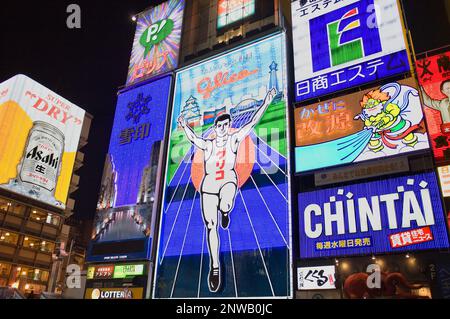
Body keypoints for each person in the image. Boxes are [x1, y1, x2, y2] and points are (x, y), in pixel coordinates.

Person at [177, 88, 277, 292]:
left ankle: (225, 211)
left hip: (229, 180)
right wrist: (183, 125)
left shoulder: (234, 139)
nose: (222, 128)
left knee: (227, 202)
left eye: (225, 124)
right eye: (219, 125)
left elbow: (251, 123)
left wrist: (266, 102)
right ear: (215, 128)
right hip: (209, 185)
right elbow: (193, 138)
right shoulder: (208, 144)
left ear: (229, 126)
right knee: (210, 226)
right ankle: (215, 267)